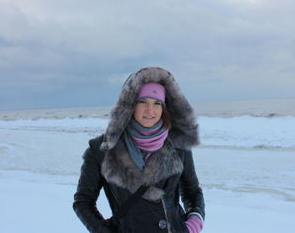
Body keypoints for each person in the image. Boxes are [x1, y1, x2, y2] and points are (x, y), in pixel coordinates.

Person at [73, 66, 205, 233]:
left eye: (157, 103)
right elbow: (83, 201)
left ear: (164, 108)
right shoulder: (102, 150)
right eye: (142, 102)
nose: (150, 110)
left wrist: (195, 221)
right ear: (129, 105)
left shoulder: (178, 144)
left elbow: (192, 191)